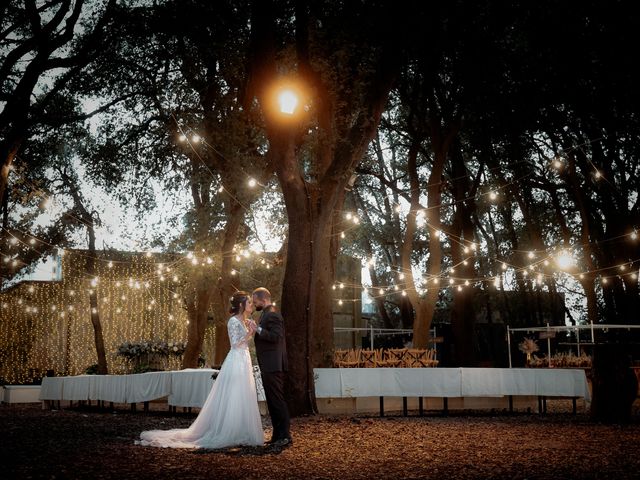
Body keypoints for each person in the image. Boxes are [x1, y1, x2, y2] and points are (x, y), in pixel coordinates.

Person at [136, 291, 264, 449]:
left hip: (244, 359)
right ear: (241, 305)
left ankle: (242, 429)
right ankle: (229, 430)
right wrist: (250, 333)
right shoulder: (233, 321)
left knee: (243, 393)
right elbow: (235, 343)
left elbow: (245, 341)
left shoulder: (245, 321)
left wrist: (252, 330)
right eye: (249, 302)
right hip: (236, 359)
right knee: (234, 393)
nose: (251, 305)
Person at [252, 287, 292, 447]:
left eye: (255, 302)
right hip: (269, 365)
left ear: (264, 300)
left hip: (274, 365)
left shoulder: (273, 314)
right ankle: (277, 435)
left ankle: (285, 436)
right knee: (272, 402)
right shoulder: (266, 313)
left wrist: (258, 329)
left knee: (277, 401)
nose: (254, 305)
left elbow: (276, 337)